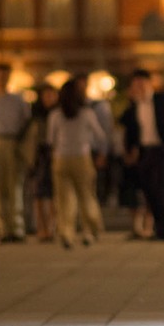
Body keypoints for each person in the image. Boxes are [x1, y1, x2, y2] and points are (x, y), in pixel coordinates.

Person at [46, 75, 107, 249]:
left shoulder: (55, 115)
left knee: (64, 199)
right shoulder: (86, 113)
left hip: (61, 158)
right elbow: (100, 135)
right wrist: (99, 151)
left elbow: (51, 140)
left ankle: (67, 233)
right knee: (86, 196)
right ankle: (90, 231)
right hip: (82, 157)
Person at [119, 69, 164, 240]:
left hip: (159, 149)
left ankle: (161, 227)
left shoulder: (160, 100)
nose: (139, 87)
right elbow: (130, 130)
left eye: (141, 83)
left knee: (158, 187)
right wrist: (130, 150)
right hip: (144, 151)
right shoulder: (134, 105)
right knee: (146, 188)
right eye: (136, 84)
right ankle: (151, 227)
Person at [0, 63, 31, 243]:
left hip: (13, 142)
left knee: (14, 186)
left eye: (6, 75)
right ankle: (2, 229)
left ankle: (17, 228)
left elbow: (27, 122)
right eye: (0, 75)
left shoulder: (18, 99)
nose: (3, 79)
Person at [22, 82, 58, 242]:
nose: (49, 98)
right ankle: (41, 227)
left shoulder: (60, 113)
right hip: (39, 158)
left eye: (52, 94)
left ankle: (52, 227)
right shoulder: (35, 117)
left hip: (55, 156)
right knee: (38, 195)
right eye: (46, 94)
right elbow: (29, 140)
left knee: (54, 195)